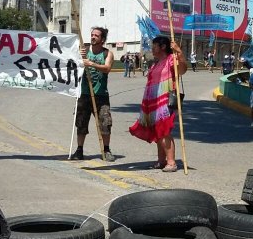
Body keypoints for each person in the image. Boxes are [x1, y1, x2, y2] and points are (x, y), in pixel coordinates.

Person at [129, 36, 188, 172]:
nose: (152, 48)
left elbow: (182, 70)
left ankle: (171, 162)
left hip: (165, 102)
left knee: (164, 131)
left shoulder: (170, 60)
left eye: (154, 46)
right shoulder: (156, 63)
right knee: (157, 132)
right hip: (153, 102)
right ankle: (161, 160)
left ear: (162, 47)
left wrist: (179, 53)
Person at [71, 27, 115, 162]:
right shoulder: (83, 51)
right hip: (84, 94)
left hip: (101, 95)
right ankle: (79, 150)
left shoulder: (107, 53)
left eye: (96, 35)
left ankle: (106, 149)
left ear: (102, 39)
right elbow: (71, 64)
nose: (93, 37)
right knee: (81, 123)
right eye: (92, 35)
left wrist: (91, 63)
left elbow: (107, 68)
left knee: (105, 123)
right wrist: (78, 56)